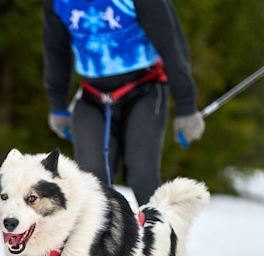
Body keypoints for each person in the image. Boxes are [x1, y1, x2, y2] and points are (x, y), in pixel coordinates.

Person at [43, 0, 205, 205]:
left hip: (144, 90)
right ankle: (104, 237)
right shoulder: (58, 3)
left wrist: (186, 107)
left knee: (142, 176)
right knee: (92, 183)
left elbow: (171, 45)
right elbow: (56, 50)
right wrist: (57, 105)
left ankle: (158, 234)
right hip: (93, 96)